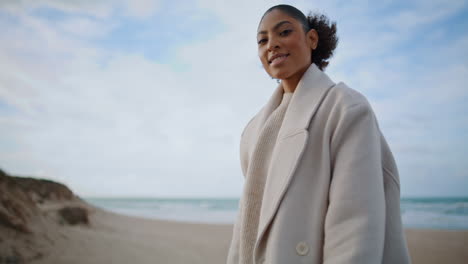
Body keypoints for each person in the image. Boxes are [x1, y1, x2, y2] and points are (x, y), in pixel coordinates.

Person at [226, 4, 411, 264]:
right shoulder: (254, 129)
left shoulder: (347, 107)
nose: (272, 44)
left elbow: (355, 225)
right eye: (262, 40)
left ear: (312, 39)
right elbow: (247, 222)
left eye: (284, 32)